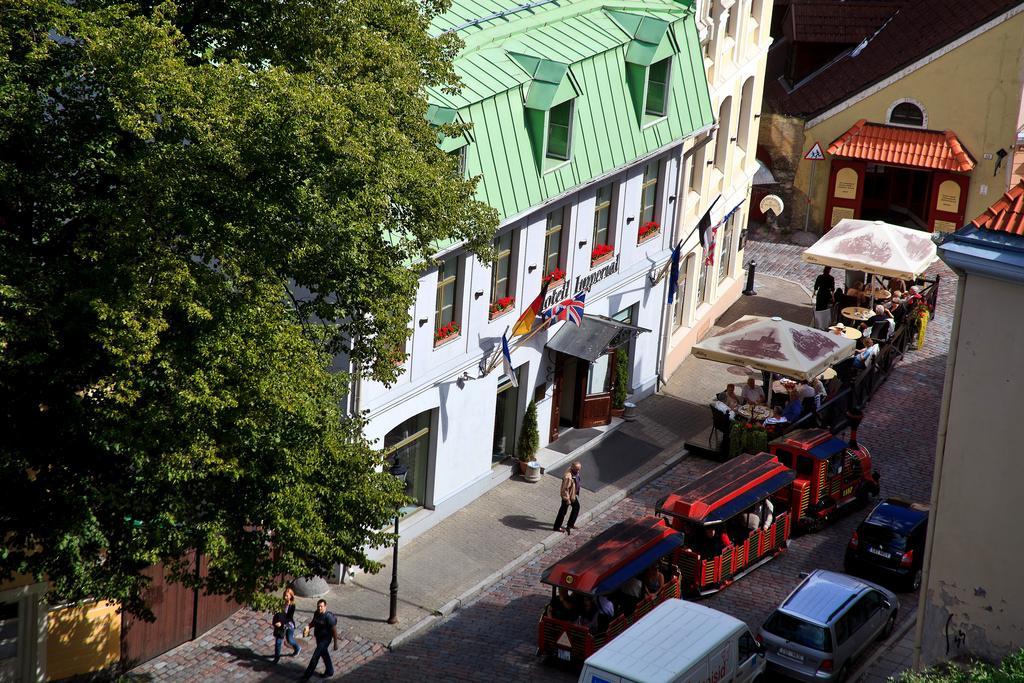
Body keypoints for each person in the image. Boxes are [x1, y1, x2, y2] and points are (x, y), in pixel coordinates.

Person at [300, 599, 338, 681]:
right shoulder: (316, 613)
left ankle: (307, 676)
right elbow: (314, 622)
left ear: (325, 607)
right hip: (319, 638)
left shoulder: (328, 617)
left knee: (315, 656)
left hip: (325, 639)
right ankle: (330, 671)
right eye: (318, 606)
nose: (319, 608)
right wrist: (308, 627)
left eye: (321, 606)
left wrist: (335, 643)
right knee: (324, 654)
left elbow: (334, 631)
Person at [271, 586, 300, 664]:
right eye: (284, 595)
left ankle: (297, 648)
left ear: (291, 596)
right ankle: (276, 659)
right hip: (281, 626)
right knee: (278, 642)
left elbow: (289, 618)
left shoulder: (292, 606)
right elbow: (278, 614)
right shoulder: (281, 603)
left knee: (290, 640)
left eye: (287, 595)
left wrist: (281, 623)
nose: (285, 597)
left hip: (288, 624)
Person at [553, 461, 582, 534]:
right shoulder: (568, 477)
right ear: (572, 468)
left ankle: (570, 524)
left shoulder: (574, 472)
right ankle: (557, 527)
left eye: (579, 469)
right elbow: (564, 489)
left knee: (576, 507)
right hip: (568, 496)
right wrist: (567, 499)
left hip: (572, 495)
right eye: (577, 469)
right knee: (563, 511)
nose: (578, 471)